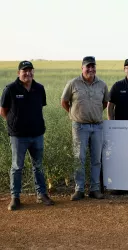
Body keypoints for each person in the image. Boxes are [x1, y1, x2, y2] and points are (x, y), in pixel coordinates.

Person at [0, 61, 54, 210]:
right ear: (18, 73)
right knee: (17, 167)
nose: (28, 73)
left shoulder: (39, 88)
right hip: (18, 136)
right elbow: (3, 110)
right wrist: (14, 123)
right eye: (24, 71)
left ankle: (41, 194)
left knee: (38, 166)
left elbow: (39, 108)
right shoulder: (10, 89)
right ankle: (15, 197)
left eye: (30, 70)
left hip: (37, 134)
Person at [61, 56, 109, 201]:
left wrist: (94, 113)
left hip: (97, 126)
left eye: (93, 66)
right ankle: (79, 189)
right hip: (79, 126)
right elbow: (64, 102)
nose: (90, 69)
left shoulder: (102, 84)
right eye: (87, 66)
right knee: (79, 158)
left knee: (96, 159)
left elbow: (105, 103)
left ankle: (95, 189)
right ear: (82, 68)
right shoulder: (73, 83)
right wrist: (73, 114)